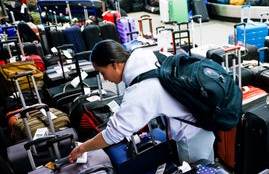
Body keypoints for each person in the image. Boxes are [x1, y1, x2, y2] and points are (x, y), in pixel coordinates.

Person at [67, 40, 215, 164]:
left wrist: (81, 149)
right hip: (205, 118)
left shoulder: (140, 90)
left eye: (102, 72)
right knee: (210, 169)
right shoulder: (145, 54)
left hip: (191, 135)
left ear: (114, 64)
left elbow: (112, 134)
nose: (104, 78)